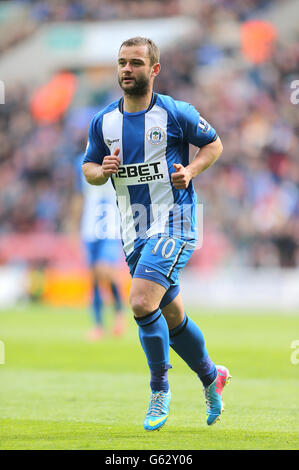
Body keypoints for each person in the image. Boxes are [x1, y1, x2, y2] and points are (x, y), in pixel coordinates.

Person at [82, 36, 231, 430]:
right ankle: (209, 375)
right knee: (172, 314)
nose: (126, 69)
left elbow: (213, 144)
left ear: (154, 70)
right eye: (121, 63)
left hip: (175, 220)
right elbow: (89, 169)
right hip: (132, 229)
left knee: (141, 302)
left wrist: (191, 171)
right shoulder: (104, 122)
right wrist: (103, 171)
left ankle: (159, 389)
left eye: (135, 63)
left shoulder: (176, 113)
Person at [72, 153, 126, 340]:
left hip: (110, 224)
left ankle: (119, 312)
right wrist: (74, 226)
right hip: (89, 224)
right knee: (94, 276)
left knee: (105, 271)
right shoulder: (81, 161)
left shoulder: (116, 157)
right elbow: (80, 195)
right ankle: (98, 325)